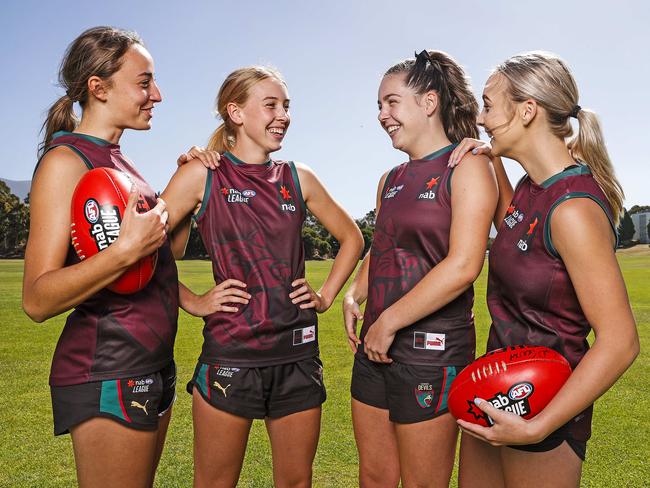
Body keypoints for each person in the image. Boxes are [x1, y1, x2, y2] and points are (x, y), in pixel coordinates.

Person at [161, 66, 364, 488]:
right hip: (231, 356)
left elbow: (352, 238)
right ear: (235, 112)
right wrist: (194, 301)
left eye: (286, 106)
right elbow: (145, 253)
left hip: (296, 356)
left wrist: (325, 296)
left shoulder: (298, 176)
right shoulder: (202, 174)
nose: (283, 115)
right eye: (270, 105)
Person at [447, 51, 640, 488]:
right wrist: (491, 159)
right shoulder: (531, 188)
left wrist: (539, 426)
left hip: (543, 402)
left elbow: (621, 341)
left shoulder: (573, 208)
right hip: (497, 390)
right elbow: (520, 241)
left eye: (489, 105)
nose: (481, 118)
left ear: (527, 110)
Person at [22, 26, 182, 487]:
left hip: (150, 363)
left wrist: (187, 185)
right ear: (99, 87)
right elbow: (36, 299)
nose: (158, 94)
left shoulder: (117, 163)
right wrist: (125, 250)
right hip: (106, 368)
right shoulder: (65, 163)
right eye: (144, 81)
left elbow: (153, 265)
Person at [342, 50, 498, 487]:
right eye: (379, 106)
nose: (382, 115)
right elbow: (382, 247)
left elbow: (465, 265)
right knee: (374, 477)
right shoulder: (390, 179)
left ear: (429, 103)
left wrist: (388, 321)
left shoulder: (468, 166)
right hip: (375, 349)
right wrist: (355, 295)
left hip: (432, 357)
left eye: (391, 102)